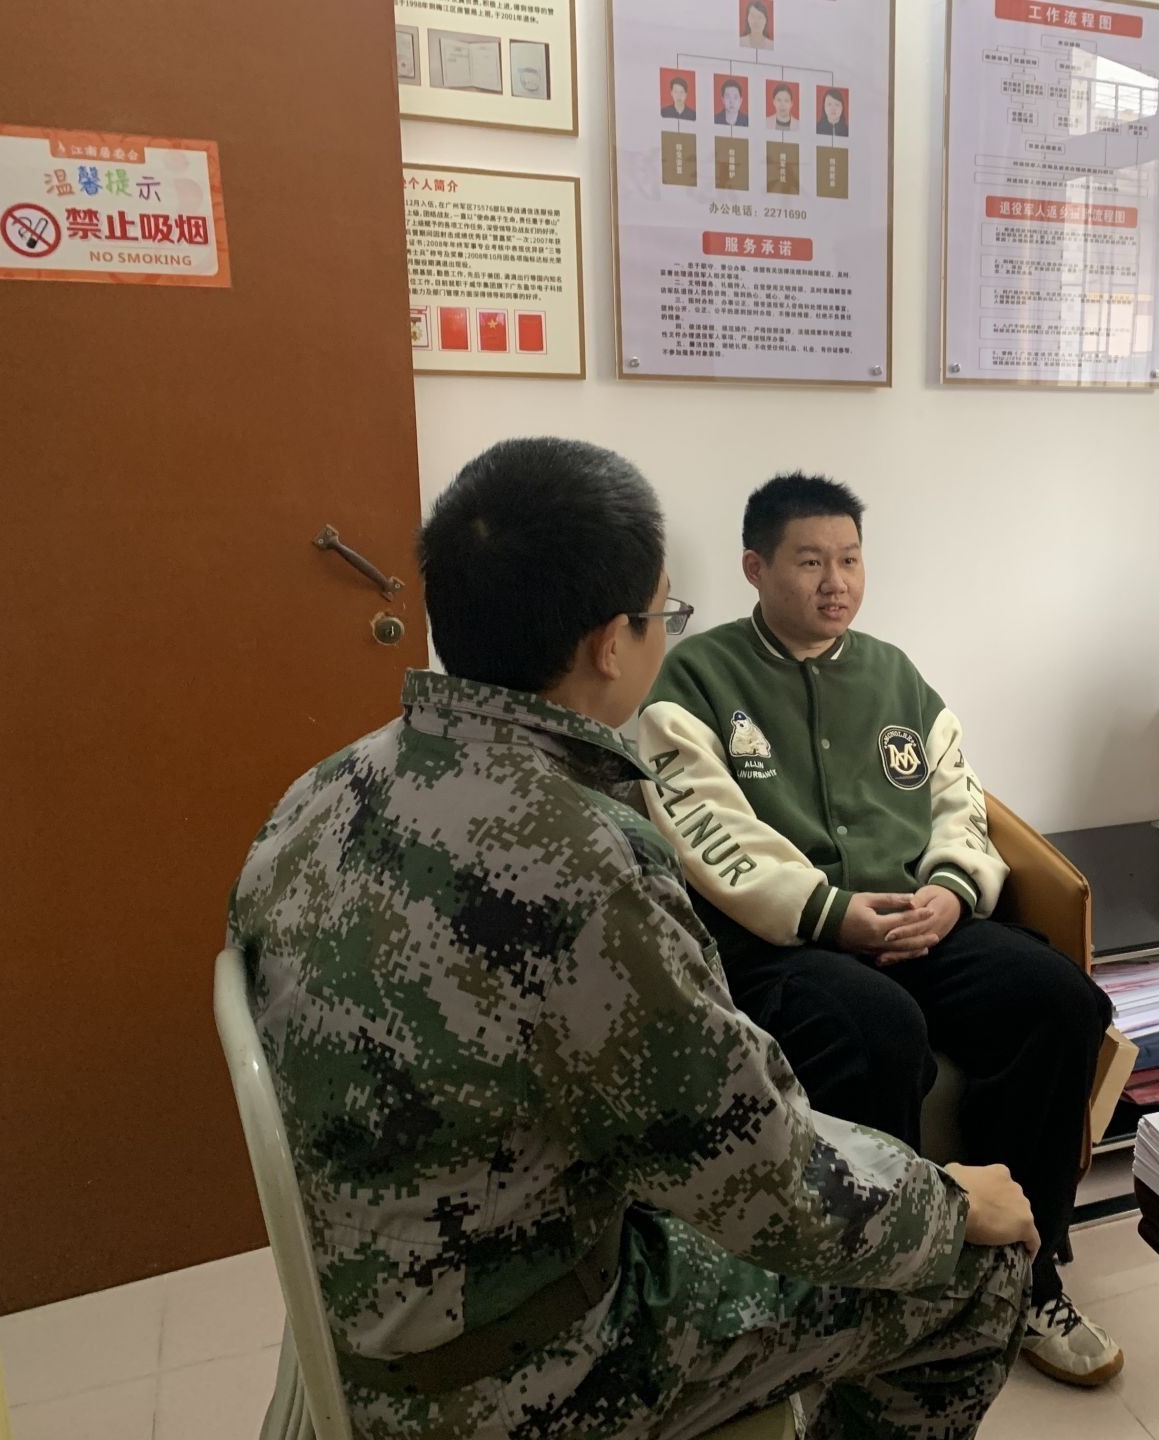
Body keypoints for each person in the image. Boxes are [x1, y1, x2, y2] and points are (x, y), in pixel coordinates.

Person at [228, 439, 1038, 1440]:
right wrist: (950, 1204)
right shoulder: (584, 854)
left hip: (373, 1295)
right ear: (613, 643)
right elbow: (761, 1176)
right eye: (665, 613)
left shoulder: (321, 791)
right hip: (511, 1367)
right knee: (978, 1274)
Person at [636, 473, 1122, 1389]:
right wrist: (832, 913)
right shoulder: (691, 680)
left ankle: (1025, 1274)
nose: (837, 583)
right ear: (755, 567)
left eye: (851, 560)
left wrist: (951, 892)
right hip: (783, 939)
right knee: (874, 1030)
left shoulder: (896, 675)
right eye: (810, 562)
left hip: (916, 917)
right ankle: (876, 1298)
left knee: (1059, 1000)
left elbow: (959, 801)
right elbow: (706, 831)